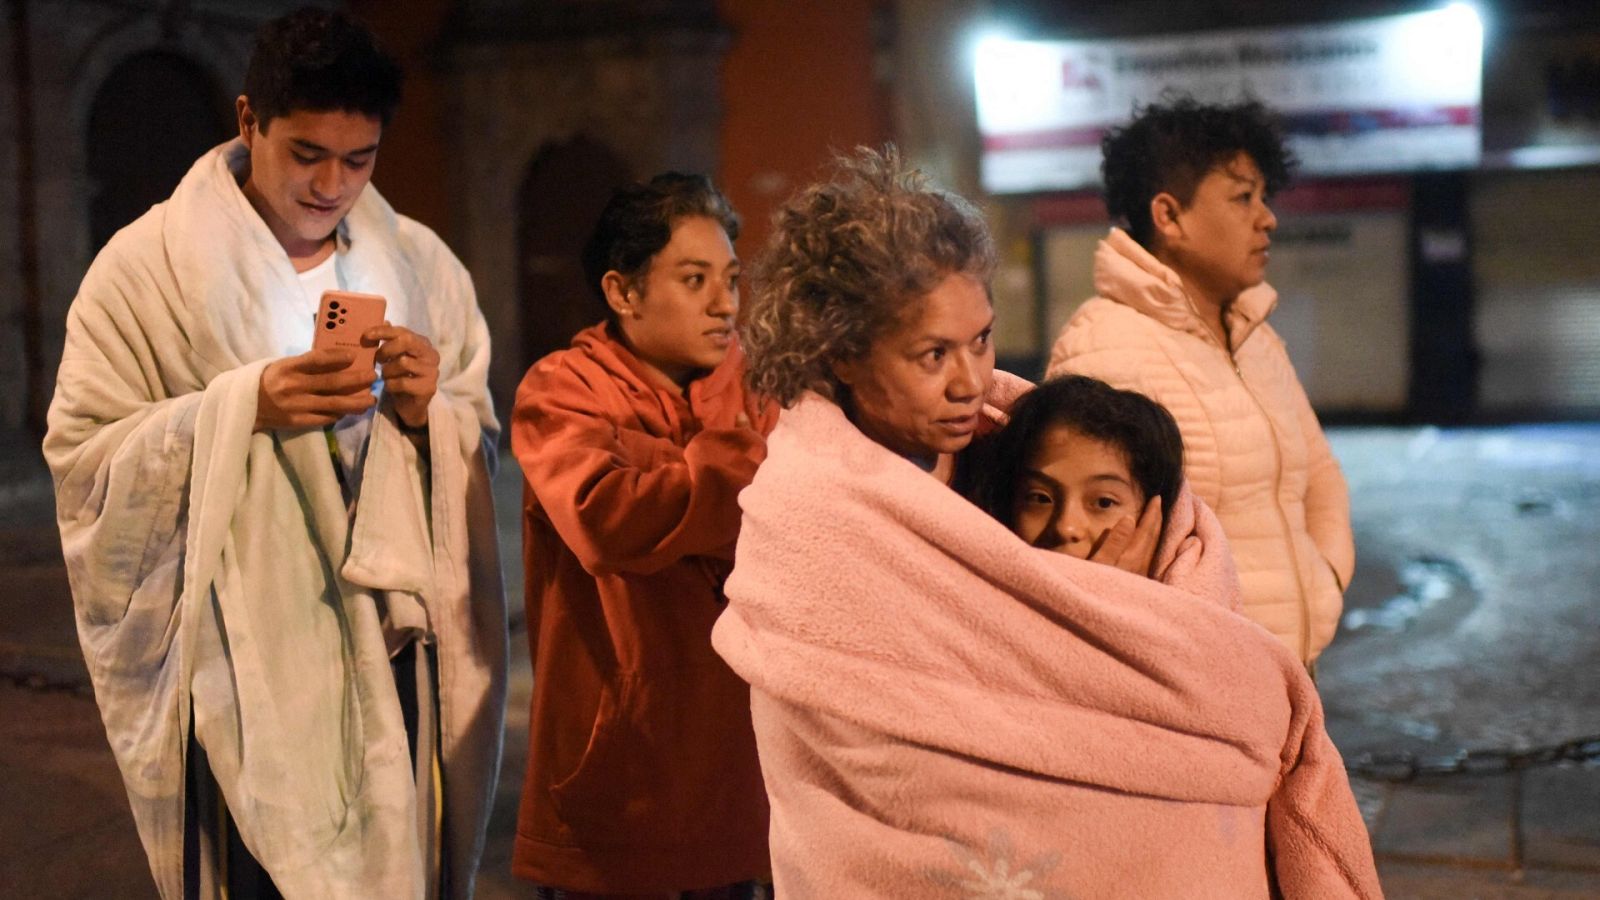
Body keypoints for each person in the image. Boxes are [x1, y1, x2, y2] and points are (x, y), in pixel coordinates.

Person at [713, 146, 1380, 897]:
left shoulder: (1008, 441)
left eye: (981, 340)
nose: (969, 381)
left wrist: (1130, 612)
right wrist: (1108, 606)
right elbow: (883, 749)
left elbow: (1173, 573)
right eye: (932, 355)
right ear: (842, 357)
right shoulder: (810, 516)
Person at [43, 9, 506, 898]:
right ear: (249, 119)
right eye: (306, 153)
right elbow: (85, 462)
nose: (334, 185)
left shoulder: (421, 265)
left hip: (389, 642)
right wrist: (239, 408)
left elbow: (475, 430)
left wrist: (426, 413)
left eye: (360, 159)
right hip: (245, 661)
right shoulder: (143, 273)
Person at [510, 173, 775, 897]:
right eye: (695, 280)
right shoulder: (561, 389)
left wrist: (666, 475)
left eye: (730, 279)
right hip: (616, 764)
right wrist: (732, 467)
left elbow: (794, 523)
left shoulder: (757, 386)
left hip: (734, 761)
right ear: (622, 293)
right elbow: (606, 518)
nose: (726, 304)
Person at [1046, 96, 1354, 668]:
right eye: (1243, 198)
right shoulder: (1104, 348)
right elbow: (1089, 550)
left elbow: (1322, 479)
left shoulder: (1258, 339)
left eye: (1264, 197)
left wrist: (1326, 582)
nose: (1268, 218)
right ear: (1170, 217)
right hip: (1199, 685)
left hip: (1292, 672)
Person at [961, 373, 1184, 570]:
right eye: (1040, 498)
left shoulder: (1196, 612)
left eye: (1103, 503)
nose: (1065, 527)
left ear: (1153, 516)